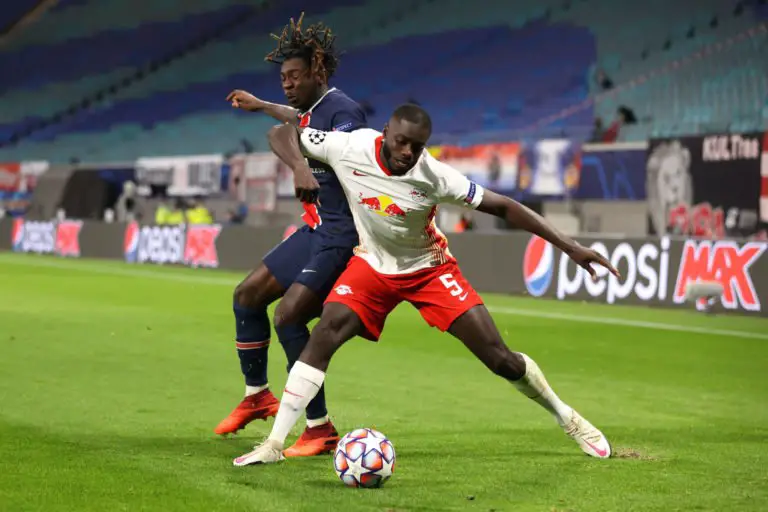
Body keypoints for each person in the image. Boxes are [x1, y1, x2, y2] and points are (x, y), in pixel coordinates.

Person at [233, 104, 620, 466]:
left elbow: (504, 206)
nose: (407, 152)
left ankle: (567, 417)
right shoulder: (349, 146)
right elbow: (282, 132)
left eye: (417, 146)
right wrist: (300, 168)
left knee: (499, 358)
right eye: (401, 141)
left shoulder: (435, 176)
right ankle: (274, 445)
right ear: (386, 132)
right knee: (323, 336)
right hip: (372, 265)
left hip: (429, 270)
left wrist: (570, 247)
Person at [215, 13, 367, 458]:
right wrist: (262, 103)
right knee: (247, 295)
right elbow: (293, 120)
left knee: (289, 317)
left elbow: (303, 136)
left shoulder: (346, 112)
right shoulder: (314, 110)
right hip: (317, 228)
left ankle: (319, 427)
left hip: (343, 235)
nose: (287, 84)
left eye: (294, 76)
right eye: (282, 78)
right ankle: (257, 395)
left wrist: (301, 164)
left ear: (318, 71)